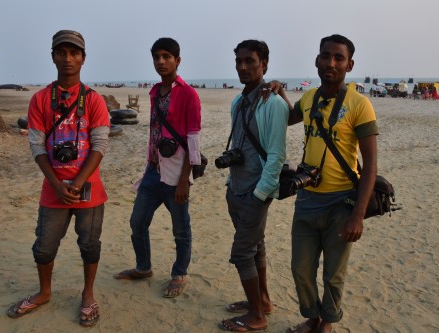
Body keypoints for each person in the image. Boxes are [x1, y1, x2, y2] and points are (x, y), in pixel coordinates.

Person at [270, 34, 378, 333]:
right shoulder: (310, 98)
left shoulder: (359, 104)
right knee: (301, 270)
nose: (331, 63)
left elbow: (370, 165)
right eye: (325, 56)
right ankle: (312, 316)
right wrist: (279, 91)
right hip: (307, 198)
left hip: (341, 202)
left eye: (338, 58)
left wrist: (358, 214)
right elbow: (289, 117)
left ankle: (327, 323)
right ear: (317, 60)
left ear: (349, 64)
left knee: (334, 273)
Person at [6, 30, 110, 327]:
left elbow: (100, 145)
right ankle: (44, 291)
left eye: (74, 53)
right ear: (52, 56)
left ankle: (88, 294)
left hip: (88, 188)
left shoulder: (93, 100)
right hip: (53, 187)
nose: (68, 59)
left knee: (90, 245)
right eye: (61, 52)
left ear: (83, 58)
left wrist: (77, 183)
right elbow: (37, 146)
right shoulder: (40, 100)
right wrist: (56, 184)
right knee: (44, 246)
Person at [114, 37, 201, 299]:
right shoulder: (154, 92)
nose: (161, 62)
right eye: (156, 57)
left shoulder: (188, 94)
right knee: (137, 222)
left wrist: (185, 180)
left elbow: (193, 139)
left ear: (177, 60)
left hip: (176, 174)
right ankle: (143, 267)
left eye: (166, 56)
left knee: (180, 229)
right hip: (153, 170)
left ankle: (179, 274)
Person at [218, 40, 289, 332]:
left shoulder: (272, 103)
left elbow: (276, 155)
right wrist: (229, 182)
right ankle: (262, 301)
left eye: (250, 61)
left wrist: (260, 195)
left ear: (265, 64)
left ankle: (256, 318)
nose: (243, 67)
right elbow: (239, 145)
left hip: (255, 193)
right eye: (239, 62)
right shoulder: (238, 101)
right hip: (236, 187)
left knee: (241, 253)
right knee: (256, 247)